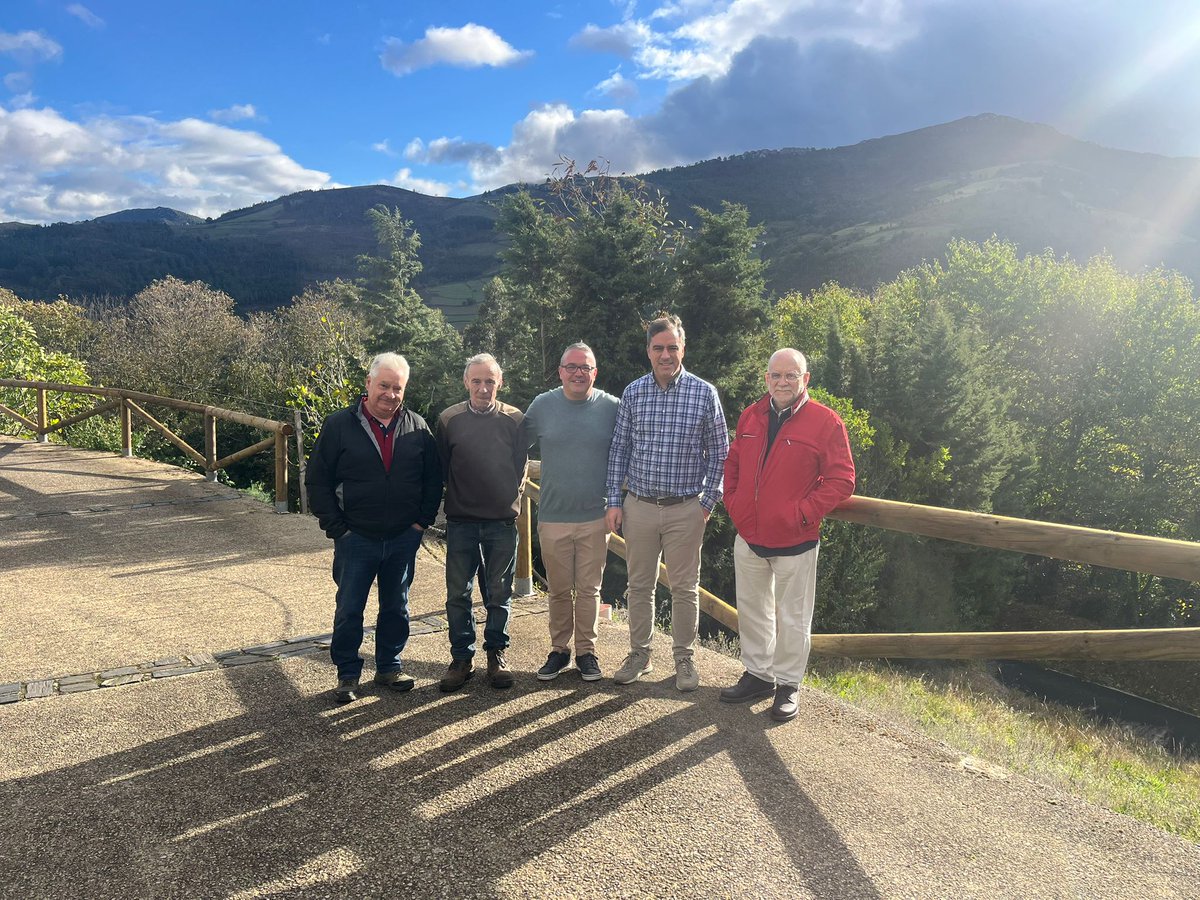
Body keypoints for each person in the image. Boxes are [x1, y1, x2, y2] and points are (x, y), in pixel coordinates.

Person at [719, 348, 855, 722]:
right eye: (776, 375)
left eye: (791, 375)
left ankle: (788, 685)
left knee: (793, 617)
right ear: (767, 379)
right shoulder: (751, 415)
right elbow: (733, 463)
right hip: (749, 535)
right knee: (752, 610)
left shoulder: (826, 422)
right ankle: (759, 675)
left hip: (796, 540)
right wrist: (734, 502)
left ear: (805, 379)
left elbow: (843, 479)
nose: (783, 382)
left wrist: (803, 513)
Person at [305, 352, 443, 703]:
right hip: (356, 537)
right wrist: (337, 528)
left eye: (398, 388)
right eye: (384, 385)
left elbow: (433, 480)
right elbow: (317, 481)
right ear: (368, 383)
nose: (390, 394)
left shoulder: (418, 427)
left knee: (396, 607)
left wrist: (420, 524)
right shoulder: (339, 425)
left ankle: (389, 667)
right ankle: (348, 673)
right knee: (350, 609)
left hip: (402, 536)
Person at [605, 315, 729, 692]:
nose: (665, 355)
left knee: (684, 588)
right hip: (639, 505)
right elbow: (619, 449)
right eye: (658, 348)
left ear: (682, 349)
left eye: (672, 348)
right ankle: (639, 655)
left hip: (686, 508)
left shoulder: (704, 393)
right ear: (648, 351)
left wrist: (707, 503)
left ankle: (684, 659)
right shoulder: (633, 393)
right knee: (639, 585)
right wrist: (614, 501)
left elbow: (721, 453)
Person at [524, 343, 620, 682]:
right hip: (553, 515)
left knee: (590, 590)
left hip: (595, 516)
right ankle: (559, 650)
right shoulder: (542, 405)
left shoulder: (612, 407)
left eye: (585, 367)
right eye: (571, 367)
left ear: (595, 372)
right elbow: (513, 446)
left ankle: (586, 652)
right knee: (559, 590)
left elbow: (628, 451)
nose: (578, 373)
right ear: (561, 371)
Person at [437, 353, 528, 692]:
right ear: (466, 382)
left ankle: (496, 654)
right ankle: (462, 658)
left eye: (490, 381)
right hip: (461, 521)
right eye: (476, 381)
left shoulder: (515, 419)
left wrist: (508, 500)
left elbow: (520, 465)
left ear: (499, 383)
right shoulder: (449, 419)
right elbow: (442, 466)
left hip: (501, 521)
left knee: (499, 592)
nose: (483, 388)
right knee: (457, 594)